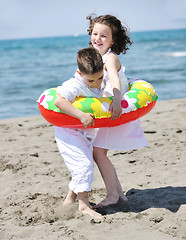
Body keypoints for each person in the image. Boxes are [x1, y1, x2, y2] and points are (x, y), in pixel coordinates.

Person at [86, 14, 148, 208]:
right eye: (95, 33)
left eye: (104, 36)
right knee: (99, 152)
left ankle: (112, 195)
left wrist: (117, 99)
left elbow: (113, 79)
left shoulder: (110, 58)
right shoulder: (98, 57)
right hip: (107, 112)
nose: (98, 38)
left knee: (98, 153)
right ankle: (120, 195)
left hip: (115, 110)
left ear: (113, 40)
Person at [54, 47, 105, 219]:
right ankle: (84, 205)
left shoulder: (99, 80)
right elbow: (59, 101)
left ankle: (69, 200)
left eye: (100, 78)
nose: (97, 83)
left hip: (86, 132)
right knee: (83, 165)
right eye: (91, 81)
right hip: (69, 131)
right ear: (79, 73)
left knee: (83, 164)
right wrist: (80, 115)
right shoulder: (73, 84)